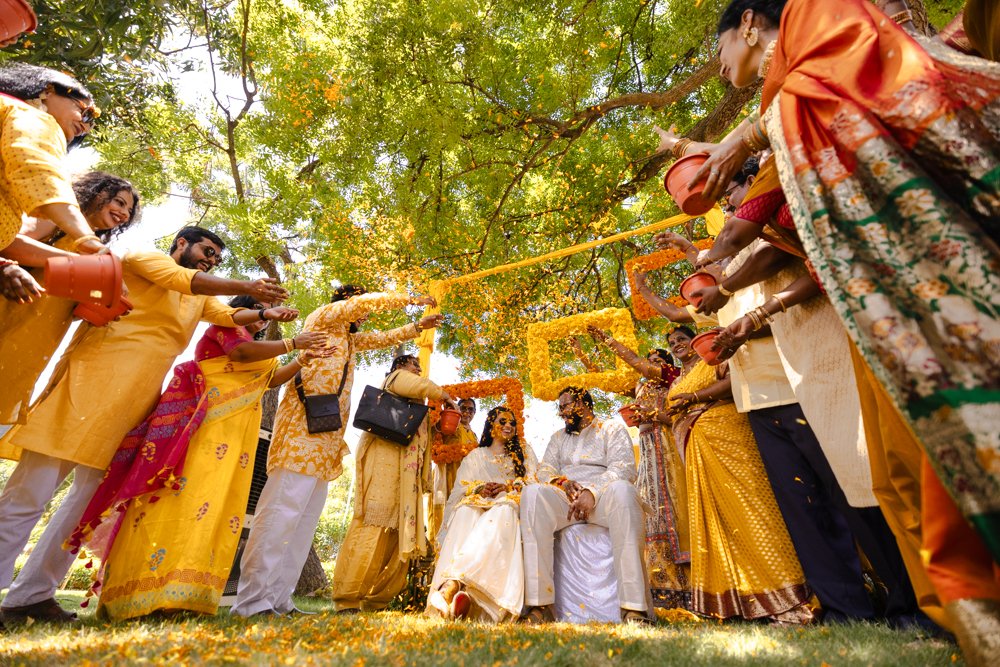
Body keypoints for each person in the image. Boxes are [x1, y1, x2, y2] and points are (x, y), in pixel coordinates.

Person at [0, 226, 292, 625]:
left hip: (135, 406)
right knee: (29, 495)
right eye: (207, 251)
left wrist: (263, 313)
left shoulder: (197, 297)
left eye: (217, 258)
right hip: (87, 387)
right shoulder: (145, 258)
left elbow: (226, 314)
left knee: (85, 507)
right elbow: (183, 279)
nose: (210, 260)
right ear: (181, 243)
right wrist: (247, 285)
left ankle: (32, 595)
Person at [64, 295, 332, 620]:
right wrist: (293, 342)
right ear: (241, 308)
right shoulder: (225, 326)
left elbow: (270, 380)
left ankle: (185, 596)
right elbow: (239, 353)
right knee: (181, 501)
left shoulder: (259, 349)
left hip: (235, 436)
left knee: (214, 508)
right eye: (256, 307)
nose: (262, 315)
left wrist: (301, 359)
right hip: (204, 429)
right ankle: (144, 595)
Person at [232, 287, 442, 617]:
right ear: (345, 302)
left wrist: (417, 327)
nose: (365, 316)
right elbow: (361, 304)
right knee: (279, 518)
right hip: (299, 440)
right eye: (359, 307)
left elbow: (382, 338)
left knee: (302, 527)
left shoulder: (347, 339)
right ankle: (251, 602)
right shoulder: (325, 318)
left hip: (327, 447)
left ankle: (279, 600)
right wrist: (410, 298)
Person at [665, 326, 812, 623]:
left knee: (752, 512)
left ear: (694, 341)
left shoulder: (714, 359)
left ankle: (787, 599)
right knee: (719, 522)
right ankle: (742, 604)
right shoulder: (677, 380)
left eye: (681, 338)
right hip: (699, 451)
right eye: (671, 343)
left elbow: (735, 381)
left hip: (730, 440)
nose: (676, 344)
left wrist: (695, 396)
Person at [0, 171, 142, 427]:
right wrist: (85, 263)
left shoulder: (96, 253)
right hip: (6, 321)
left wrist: (101, 305)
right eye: (119, 202)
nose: (124, 213)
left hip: (31, 347)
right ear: (97, 192)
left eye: (129, 211)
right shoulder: (55, 219)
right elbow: (8, 241)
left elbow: (57, 303)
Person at [332, 354, 456, 613]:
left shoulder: (413, 400)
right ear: (399, 366)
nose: (418, 369)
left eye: (419, 366)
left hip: (405, 476)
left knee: (397, 535)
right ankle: (348, 598)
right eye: (414, 364)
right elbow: (419, 385)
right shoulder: (397, 379)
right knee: (374, 525)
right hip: (385, 468)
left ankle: (376, 600)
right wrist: (445, 396)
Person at [519, 387, 648, 624]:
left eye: (565, 406)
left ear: (583, 404)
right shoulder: (558, 437)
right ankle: (539, 605)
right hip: (566, 500)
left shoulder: (611, 428)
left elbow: (624, 468)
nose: (561, 413)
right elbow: (545, 470)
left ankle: (633, 608)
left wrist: (592, 492)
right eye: (559, 408)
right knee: (533, 493)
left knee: (624, 490)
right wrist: (563, 482)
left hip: (604, 497)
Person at [585, 326, 689, 609]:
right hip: (646, 449)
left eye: (657, 360)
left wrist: (653, 414)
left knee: (673, 504)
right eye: (649, 360)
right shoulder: (640, 387)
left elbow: (679, 418)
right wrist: (582, 355)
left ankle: (685, 585)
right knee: (647, 507)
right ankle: (657, 583)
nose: (651, 364)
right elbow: (604, 378)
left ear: (666, 365)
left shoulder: (674, 381)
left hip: (668, 445)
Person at [426, 406, 537, 622]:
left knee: (503, 511)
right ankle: (458, 596)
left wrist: (508, 487)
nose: (508, 425)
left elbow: (533, 481)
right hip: (480, 503)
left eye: (512, 423)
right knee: (465, 511)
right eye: (502, 421)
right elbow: (461, 487)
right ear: (490, 425)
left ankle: (455, 588)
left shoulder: (523, 452)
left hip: (510, 503)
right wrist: (479, 488)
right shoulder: (476, 456)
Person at [0, 63, 106, 256]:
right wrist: (85, 237)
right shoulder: (32, 116)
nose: (85, 127)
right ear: (48, 91)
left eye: (90, 126)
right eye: (86, 114)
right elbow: (37, 171)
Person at [430, 397, 479, 539]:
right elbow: (436, 430)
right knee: (444, 508)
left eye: (471, 410)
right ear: (457, 409)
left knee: (464, 511)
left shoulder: (474, 435)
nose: (467, 412)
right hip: (448, 472)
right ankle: (438, 545)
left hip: (467, 478)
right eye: (463, 408)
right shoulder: (450, 423)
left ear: (474, 413)